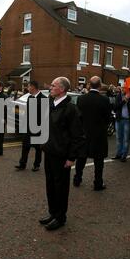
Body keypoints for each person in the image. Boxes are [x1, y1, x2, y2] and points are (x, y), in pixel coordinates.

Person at [40, 77, 85, 231]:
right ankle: (52, 213)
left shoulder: (71, 109)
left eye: (53, 85)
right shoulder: (50, 103)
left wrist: (71, 158)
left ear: (62, 89)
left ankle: (60, 217)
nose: (50, 87)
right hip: (49, 151)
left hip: (62, 156)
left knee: (61, 187)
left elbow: (78, 136)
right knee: (50, 185)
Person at [74, 76, 111, 191]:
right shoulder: (105, 100)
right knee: (99, 161)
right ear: (100, 86)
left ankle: (77, 179)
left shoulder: (81, 99)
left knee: (81, 158)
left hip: (84, 134)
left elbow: (78, 117)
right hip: (99, 135)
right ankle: (98, 183)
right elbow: (108, 118)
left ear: (89, 85)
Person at [15, 80, 45, 171]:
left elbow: (44, 116)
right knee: (25, 146)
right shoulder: (30, 98)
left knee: (37, 148)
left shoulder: (43, 98)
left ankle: (37, 165)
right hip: (28, 127)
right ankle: (22, 164)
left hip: (38, 128)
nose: (27, 88)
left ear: (33, 87)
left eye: (28, 86)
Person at [112, 89, 130, 162]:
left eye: (125, 88)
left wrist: (128, 99)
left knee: (126, 139)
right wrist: (124, 101)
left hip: (127, 120)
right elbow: (115, 107)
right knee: (119, 138)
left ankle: (124, 155)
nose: (123, 89)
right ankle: (118, 154)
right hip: (119, 119)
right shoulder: (118, 96)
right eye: (122, 88)